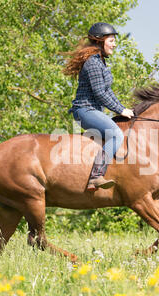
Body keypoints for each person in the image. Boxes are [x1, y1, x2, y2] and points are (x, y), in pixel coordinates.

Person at [64, 22, 134, 191]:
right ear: (100, 41)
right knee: (116, 135)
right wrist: (120, 110)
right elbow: (100, 94)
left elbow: (107, 91)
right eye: (111, 40)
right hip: (85, 110)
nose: (115, 44)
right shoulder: (93, 63)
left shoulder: (100, 62)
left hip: (93, 110)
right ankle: (96, 177)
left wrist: (123, 109)